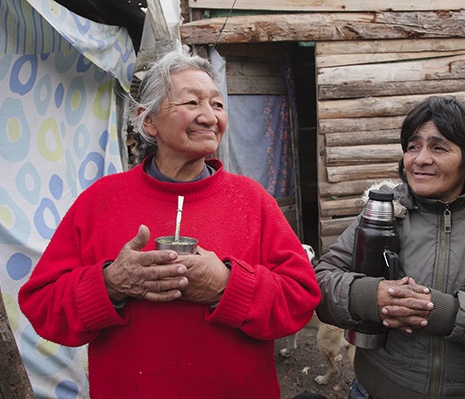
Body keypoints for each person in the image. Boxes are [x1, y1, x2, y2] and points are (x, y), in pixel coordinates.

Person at [19, 50, 321, 399]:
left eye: (218, 105)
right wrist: (111, 284)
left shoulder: (252, 201)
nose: (209, 117)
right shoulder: (101, 201)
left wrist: (226, 285)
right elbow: (41, 304)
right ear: (148, 121)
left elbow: (301, 297)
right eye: (191, 103)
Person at [314, 96, 465, 399]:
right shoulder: (385, 210)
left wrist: (450, 314)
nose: (420, 159)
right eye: (413, 146)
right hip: (375, 391)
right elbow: (320, 282)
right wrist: (367, 297)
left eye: (438, 147)